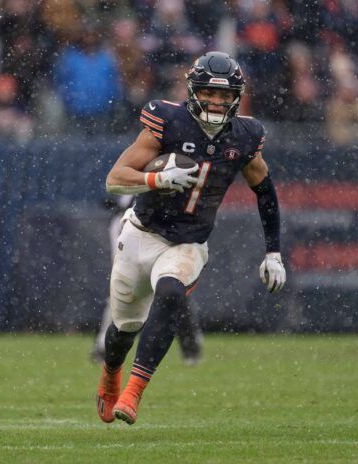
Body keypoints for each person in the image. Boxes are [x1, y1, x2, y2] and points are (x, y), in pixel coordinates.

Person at [95, 51, 287, 425]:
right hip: (141, 233)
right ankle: (110, 375)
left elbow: (265, 191)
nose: (216, 102)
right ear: (193, 91)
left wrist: (273, 251)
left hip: (188, 243)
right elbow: (115, 177)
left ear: (236, 97)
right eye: (209, 93)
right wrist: (157, 179)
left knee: (170, 292)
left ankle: (133, 394)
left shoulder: (246, 136)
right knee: (123, 329)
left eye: (224, 95)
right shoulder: (168, 121)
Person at [90, 193, 204, 366]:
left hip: (162, 238)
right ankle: (104, 347)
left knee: (175, 293)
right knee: (122, 293)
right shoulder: (128, 204)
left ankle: (190, 348)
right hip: (133, 235)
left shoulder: (161, 183)